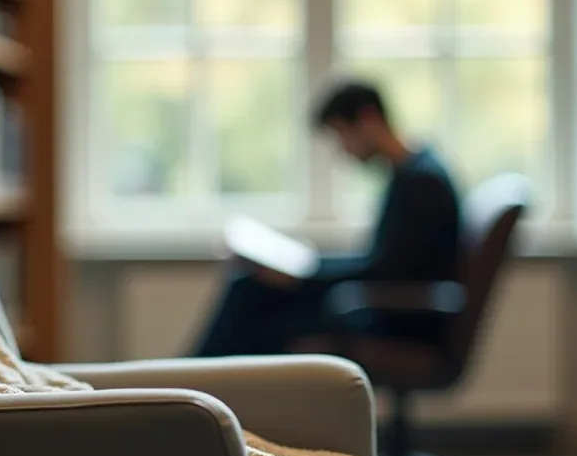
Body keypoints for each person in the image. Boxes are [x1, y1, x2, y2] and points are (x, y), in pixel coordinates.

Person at [191, 78, 463, 358]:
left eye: (342, 135)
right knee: (252, 289)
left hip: (398, 319)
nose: (343, 150)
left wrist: (302, 277)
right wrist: (307, 266)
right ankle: (193, 381)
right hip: (384, 307)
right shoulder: (413, 173)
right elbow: (384, 262)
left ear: (368, 119)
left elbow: (385, 272)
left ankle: (189, 382)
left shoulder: (421, 183)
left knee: (251, 302)